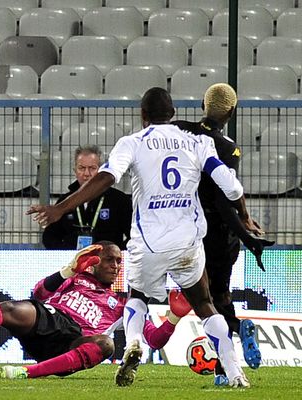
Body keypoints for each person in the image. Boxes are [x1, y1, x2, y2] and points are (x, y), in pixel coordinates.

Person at [27, 87, 258, 388]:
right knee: (205, 304)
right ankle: (234, 372)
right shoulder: (198, 141)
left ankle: (134, 344)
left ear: (143, 115)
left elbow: (107, 178)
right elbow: (231, 187)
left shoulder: (132, 143)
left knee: (137, 298)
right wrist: (242, 214)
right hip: (187, 242)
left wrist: (61, 207)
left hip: (147, 244)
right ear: (173, 114)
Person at [0, 242, 192, 379]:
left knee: (107, 345)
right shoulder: (75, 278)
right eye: (109, 259)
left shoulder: (124, 304)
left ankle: (27, 373)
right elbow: (39, 294)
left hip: (73, 343)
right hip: (49, 321)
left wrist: (174, 317)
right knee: (12, 308)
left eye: (119, 262)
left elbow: (154, 340)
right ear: (94, 262)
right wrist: (69, 270)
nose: (115, 265)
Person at [173, 83, 274, 382]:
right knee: (218, 296)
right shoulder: (228, 147)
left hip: (187, 228)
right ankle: (233, 339)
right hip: (220, 233)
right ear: (231, 111)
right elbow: (224, 199)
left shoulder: (181, 132)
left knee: (204, 300)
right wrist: (245, 232)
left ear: (203, 103)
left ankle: (222, 366)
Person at [43, 145, 132, 250]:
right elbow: (49, 237)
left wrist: (116, 253)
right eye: (81, 168)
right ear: (74, 171)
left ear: (101, 171)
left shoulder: (120, 200)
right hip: (75, 262)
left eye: (92, 168)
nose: (86, 174)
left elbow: (133, 236)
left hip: (106, 263)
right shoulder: (65, 201)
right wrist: (66, 253)